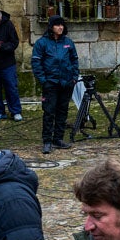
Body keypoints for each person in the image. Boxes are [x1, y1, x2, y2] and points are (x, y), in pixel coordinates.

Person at [31, 14, 80, 155]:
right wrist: (43, 81)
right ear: (51, 27)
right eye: (57, 25)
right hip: (50, 83)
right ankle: (47, 141)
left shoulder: (68, 43)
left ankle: (58, 139)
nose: (60, 27)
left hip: (66, 82)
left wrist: (74, 78)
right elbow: (36, 63)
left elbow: (74, 60)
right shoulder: (42, 43)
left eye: (62, 25)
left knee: (62, 111)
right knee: (49, 112)